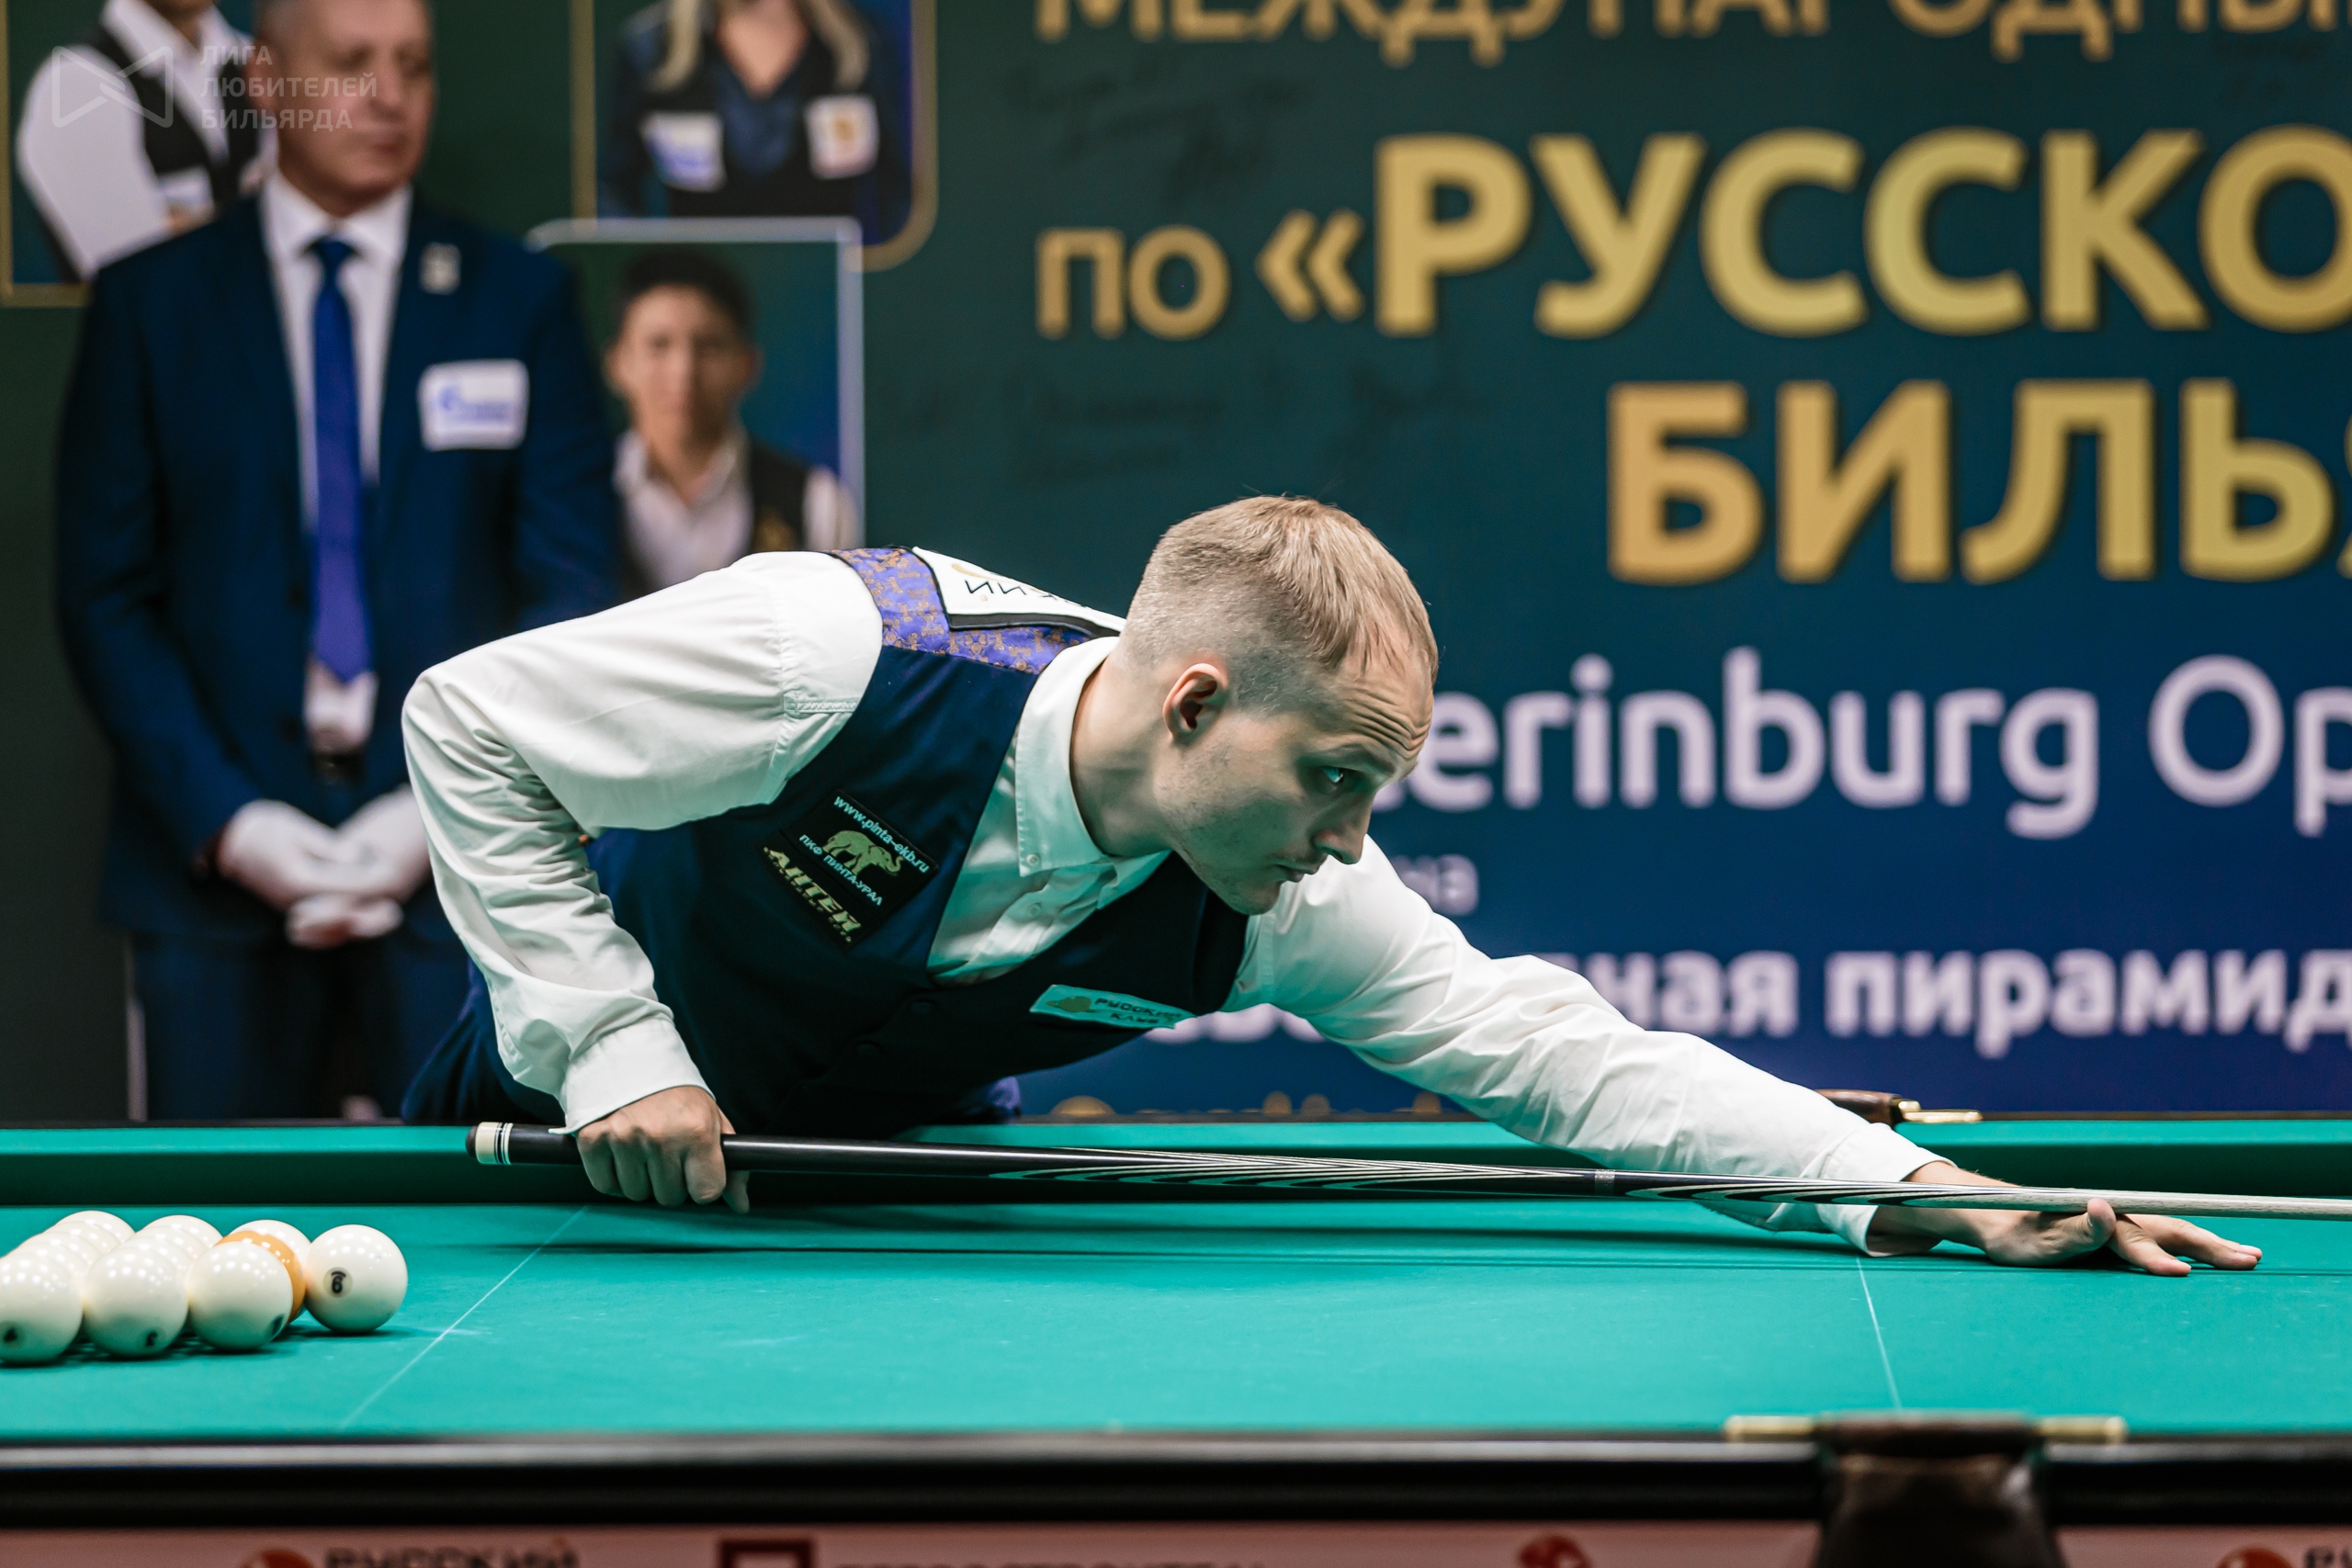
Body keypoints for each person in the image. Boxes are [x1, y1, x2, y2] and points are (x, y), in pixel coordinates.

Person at [400, 499, 2261, 1278]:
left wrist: (1926, 1197)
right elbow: (470, 724)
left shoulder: (1271, 891)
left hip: (881, 1220)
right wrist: (614, 1044)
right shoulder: (835, 651)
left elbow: (1554, 1054)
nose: (1354, 837)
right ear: (1195, 703)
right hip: (540, 1159)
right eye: (1337, 776)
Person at [54, 0, 617, 1120]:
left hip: (464, 881)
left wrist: (433, 812)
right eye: (351, 65)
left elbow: (570, 590)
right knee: (209, 1219)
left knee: (474, 1209)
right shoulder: (149, 304)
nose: (389, 95)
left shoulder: (518, 300)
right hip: (207, 890)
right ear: (267, 82)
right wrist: (233, 823)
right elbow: (105, 595)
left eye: (413, 65)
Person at [605, 248, 859, 595]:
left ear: (747, 364)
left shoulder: (814, 503)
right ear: (618, 364)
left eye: (709, 346)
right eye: (658, 345)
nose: (683, 372)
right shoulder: (574, 498)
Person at [601, 0, 910, 243]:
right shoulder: (653, 48)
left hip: (825, 288)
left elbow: (898, 186)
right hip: (700, 278)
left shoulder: (861, 42)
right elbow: (613, 188)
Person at [15, 0, 268, 281]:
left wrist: (183, 224)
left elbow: (305, 227)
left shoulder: (259, 64)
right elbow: (140, 270)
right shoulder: (75, 87)